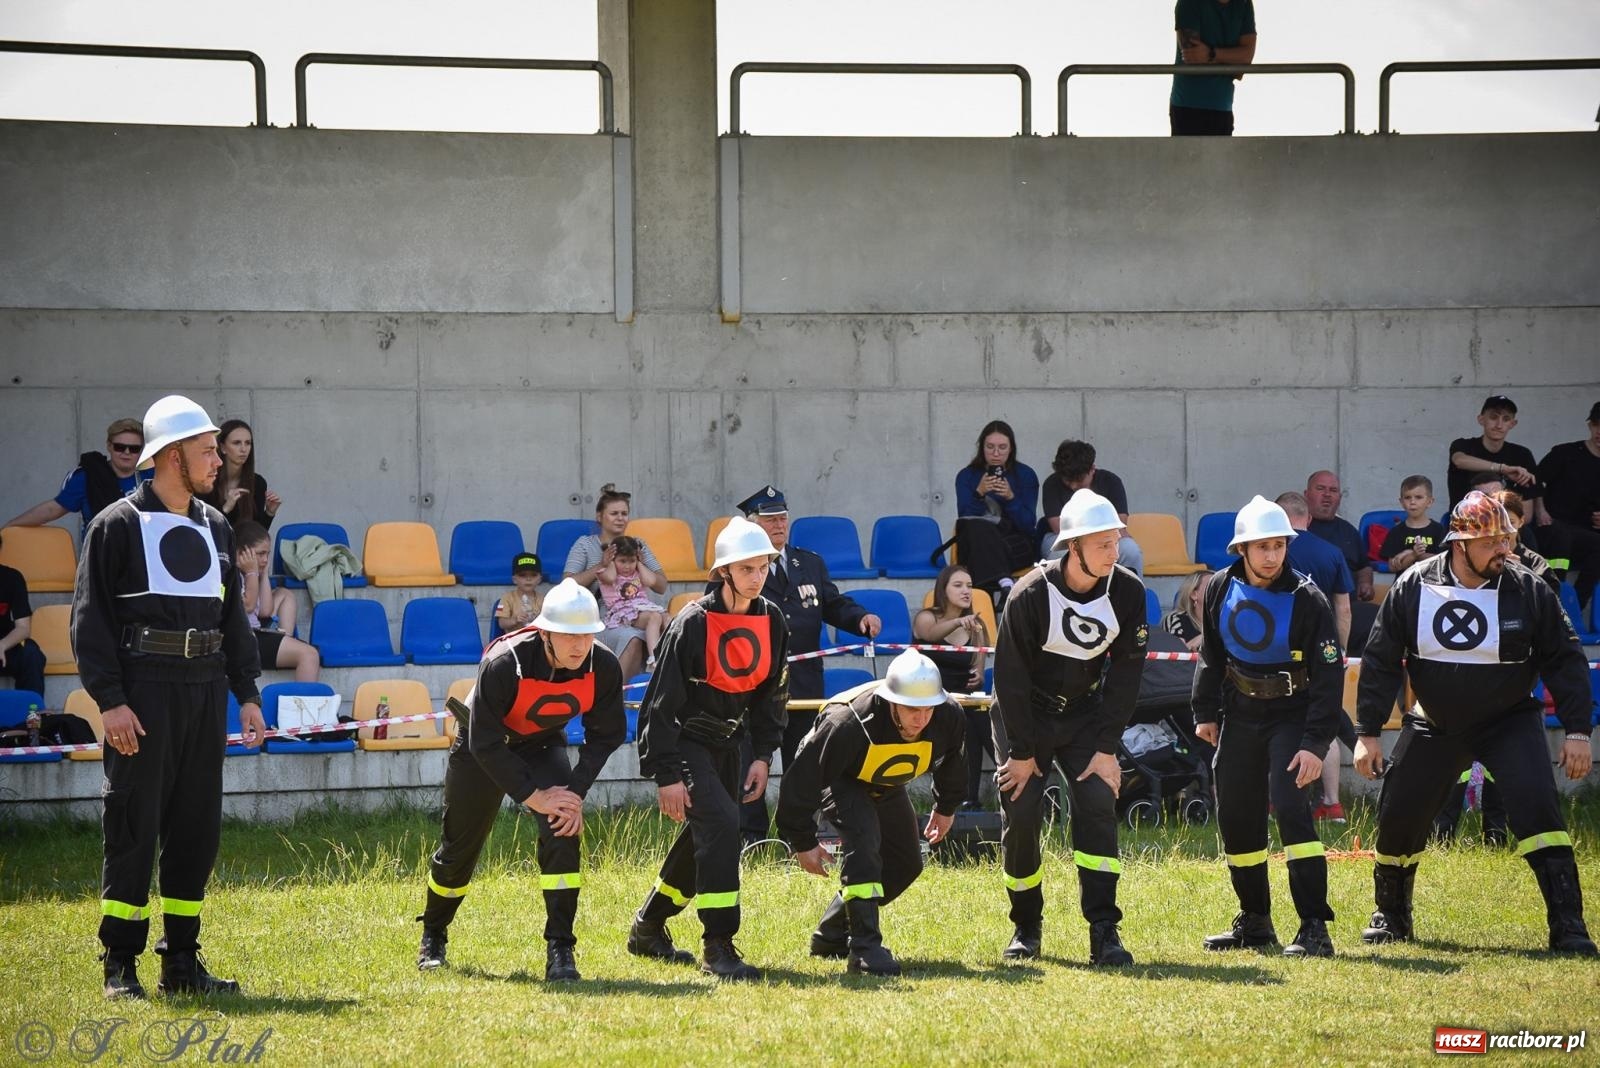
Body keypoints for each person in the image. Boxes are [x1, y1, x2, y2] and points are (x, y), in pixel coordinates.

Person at [70, 395, 265, 999]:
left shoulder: (216, 524)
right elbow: (89, 620)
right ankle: (118, 966)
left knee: (195, 828)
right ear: (171, 456)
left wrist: (247, 692)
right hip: (143, 693)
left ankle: (181, 962)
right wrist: (110, 701)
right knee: (133, 824)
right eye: (207, 450)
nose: (217, 460)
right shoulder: (115, 526)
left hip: (204, 689)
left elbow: (231, 617)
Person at [1353, 492, 1595, 956]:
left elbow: (1565, 660)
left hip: (1509, 719)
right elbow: (1381, 659)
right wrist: (1367, 733)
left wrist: (1579, 731)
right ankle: (1392, 916)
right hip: (1435, 721)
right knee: (1399, 815)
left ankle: (1569, 926)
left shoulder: (1529, 588)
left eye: (1507, 539)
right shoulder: (1413, 585)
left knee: (1539, 812)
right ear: (1459, 544)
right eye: (1490, 542)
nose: (1503, 549)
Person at [416, 579, 625, 981]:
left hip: (542, 745)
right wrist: (534, 796)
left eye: (586, 635)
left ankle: (560, 949)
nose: (579, 646)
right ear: (545, 631)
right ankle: (433, 934)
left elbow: (608, 735)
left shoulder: (605, 666)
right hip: (483, 747)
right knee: (459, 848)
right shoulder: (503, 662)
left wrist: (572, 795)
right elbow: (485, 744)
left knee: (563, 829)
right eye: (568, 636)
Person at [628, 516, 790, 981]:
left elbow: (772, 694)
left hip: (732, 744)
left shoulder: (772, 619)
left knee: (710, 833)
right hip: (686, 742)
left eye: (762, 568)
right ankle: (718, 945)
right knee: (722, 822)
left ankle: (649, 925)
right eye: (746, 570)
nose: (756, 578)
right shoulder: (691, 623)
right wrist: (667, 775)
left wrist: (762, 754)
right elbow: (659, 704)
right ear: (724, 572)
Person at [991, 490, 1148, 966]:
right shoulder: (1029, 594)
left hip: (1085, 715)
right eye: (1103, 544)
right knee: (1021, 814)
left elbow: (1126, 676)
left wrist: (1106, 748)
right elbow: (1011, 681)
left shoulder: (1127, 591)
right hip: (1027, 717)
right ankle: (1026, 927)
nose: (1115, 553)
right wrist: (1020, 752)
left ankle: (1104, 930)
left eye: (1116, 542)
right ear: (1073, 546)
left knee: (1099, 803)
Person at [1192, 496, 1344, 958]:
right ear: (1242, 550)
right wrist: (1205, 713)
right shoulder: (1219, 587)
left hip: (1292, 715)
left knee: (1293, 809)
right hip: (1240, 712)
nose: (1272, 556)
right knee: (1236, 816)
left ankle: (1314, 928)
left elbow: (1329, 674)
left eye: (1279, 546)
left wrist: (1316, 743)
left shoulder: (1309, 598)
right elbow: (1212, 654)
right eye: (1262, 547)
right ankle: (1255, 922)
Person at [777, 650, 966, 977]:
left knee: (906, 864)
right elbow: (801, 781)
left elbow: (954, 761)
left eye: (927, 711)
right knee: (865, 847)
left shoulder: (948, 715)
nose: (920, 721)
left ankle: (831, 933)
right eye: (911, 710)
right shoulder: (846, 724)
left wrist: (946, 806)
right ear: (892, 702)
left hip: (887, 784)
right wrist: (802, 841)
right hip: (843, 780)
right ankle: (865, 949)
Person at [735, 484, 881, 762]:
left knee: (803, 767)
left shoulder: (809, 563)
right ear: (752, 524)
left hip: (803, 683)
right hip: (756, 686)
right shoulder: (741, 569)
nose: (779, 525)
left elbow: (832, 603)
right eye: (770, 519)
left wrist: (860, 617)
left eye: (782, 518)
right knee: (749, 770)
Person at [562, 484, 668, 679]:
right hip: (601, 615)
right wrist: (600, 567)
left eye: (624, 513)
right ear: (599, 516)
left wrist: (641, 565)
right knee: (634, 638)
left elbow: (662, 585)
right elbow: (566, 584)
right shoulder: (585, 544)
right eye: (614, 513)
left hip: (640, 608)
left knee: (672, 625)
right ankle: (616, 698)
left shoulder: (638, 544)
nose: (620, 518)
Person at [913, 564, 991, 807]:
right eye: (958, 585)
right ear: (943, 589)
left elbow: (979, 659)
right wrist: (958, 623)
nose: (966, 590)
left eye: (969, 585)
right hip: (932, 697)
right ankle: (962, 799)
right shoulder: (926, 616)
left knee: (984, 722)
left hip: (966, 697)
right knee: (967, 723)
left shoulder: (976, 624)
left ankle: (975, 799)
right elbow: (931, 635)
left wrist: (978, 672)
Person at [5, 417, 150, 533]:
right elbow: (53, 509)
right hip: (100, 556)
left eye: (134, 449)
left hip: (145, 556)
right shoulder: (87, 476)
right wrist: (9, 526)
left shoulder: (153, 476)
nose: (126, 453)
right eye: (120, 447)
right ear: (109, 446)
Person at [954, 420, 1040, 598]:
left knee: (981, 552)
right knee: (978, 529)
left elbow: (1028, 525)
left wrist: (1011, 498)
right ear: (981, 448)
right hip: (976, 543)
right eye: (990, 447)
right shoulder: (966, 476)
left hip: (1013, 544)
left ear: (1011, 449)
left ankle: (986, 606)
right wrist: (979, 493)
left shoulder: (1025, 475)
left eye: (1002, 447)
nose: (995, 453)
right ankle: (1005, 584)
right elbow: (964, 518)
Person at [1039, 439, 1144, 576]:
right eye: (1068, 480)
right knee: (1059, 553)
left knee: (1130, 550)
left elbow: (1120, 523)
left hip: (1108, 536)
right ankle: (1063, 596)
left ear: (1092, 469)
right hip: (1064, 538)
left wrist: (1096, 541)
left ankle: (1132, 594)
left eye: (1079, 480)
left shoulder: (1111, 481)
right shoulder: (1052, 483)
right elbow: (1058, 527)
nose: (1073, 486)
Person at [232, 521, 320, 683]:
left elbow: (265, 611)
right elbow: (249, 606)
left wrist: (263, 573)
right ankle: (301, 708)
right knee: (309, 654)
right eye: (260, 554)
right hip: (240, 640)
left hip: (255, 633)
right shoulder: (230, 573)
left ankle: (284, 639)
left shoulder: (250, 574)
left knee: (312, 651)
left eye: (267, 554)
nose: (265, 559)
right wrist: (252, 572)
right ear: (241, 552)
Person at [1534, 401, 1600, 614]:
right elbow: (1534, 483)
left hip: (1586, 535)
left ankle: (1574, 608)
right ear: (1590, 425)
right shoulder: (1565, 453)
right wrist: (1540, 511)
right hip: (1550, 528)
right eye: (1597, 424)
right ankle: (1554, 595)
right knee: (1562, 535)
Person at [1170, 0, 1257, 137]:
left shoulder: (1244, 3)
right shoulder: (1189, 2)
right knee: (1188, 158)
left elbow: (1246, 58)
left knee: (1221, 158)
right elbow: (1193, 57)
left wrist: (1211, 53)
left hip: (1223, 106)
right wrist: (1232, 61)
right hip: (1188, 106)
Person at [1447, 395, 1541, 510]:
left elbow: (1526, 514)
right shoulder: (1463, 445)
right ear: (1481, 419)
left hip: (1508, 525)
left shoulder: (1522, 454)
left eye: (1506, 419)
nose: (1499, 425)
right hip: (1465, 522)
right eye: (1493, 417)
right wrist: (1503, 469)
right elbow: (1459, 461)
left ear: (1513, 424)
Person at [596, 535, 666, 669]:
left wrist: (640, 563)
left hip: (642, 607)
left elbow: (651, 581)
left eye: (631, 561)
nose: (627, 566)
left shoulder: (637, 571)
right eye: (622, 561)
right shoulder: (605, 572)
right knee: (655, 617)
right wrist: (609, 562)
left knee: (668, 619)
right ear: (613, 559)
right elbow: (610, 578)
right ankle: (654, 659)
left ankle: (671, 657)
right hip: (623, 611)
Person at [200, 419, 282, 532]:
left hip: (245, 548)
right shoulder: (205, 481)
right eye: (236, 443)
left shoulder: (257, 482)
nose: (243, 449)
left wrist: (269, 513)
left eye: (248, 443)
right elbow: (202, 530)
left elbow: (256, 535)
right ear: (222, 447)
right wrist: (226, 508)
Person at [1305, 470, 1374, 602]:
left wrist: (1365, 583)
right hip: (1307, 606)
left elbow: (1364, 566)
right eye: (1320, 488)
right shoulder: (1295, 529)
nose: (1327, 494)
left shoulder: (1349, 531)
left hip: (1347, 607)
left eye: (1333, 490)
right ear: (1306, 494)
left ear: (1340, 498)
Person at [0, 538, 47, 696]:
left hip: (5, 647)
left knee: (31, 653)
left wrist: (2, 645)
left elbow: (24, 628)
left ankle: (32, 718)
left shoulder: (12, 578)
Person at [1379, 475, 1448, 575]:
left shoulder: (1439, 529)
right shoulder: (1396, 532)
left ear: (1430, 502)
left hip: (1432, 587)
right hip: (1404, 587)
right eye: (1407, 497)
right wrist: (1413, 555)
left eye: (1418, 497)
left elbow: (1444, 561)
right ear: (1402, 502)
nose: (1412, 502)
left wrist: (1415, 555)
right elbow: (1392, 567)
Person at [494, 551, 546, 634]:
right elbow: (501, 623)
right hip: (514, 640)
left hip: (537, 639)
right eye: (523, 575)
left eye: (533, 575)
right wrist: (515, 620)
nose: (528, 579)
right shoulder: (507, 598)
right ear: (514, 579)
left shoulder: (543, 599)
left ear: (539, 579)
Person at [1164, 569, 1211, 651]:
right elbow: (1174, 658)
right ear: (1194, 595)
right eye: (1212, 586)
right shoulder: (1176, 620)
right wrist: (1203, 638)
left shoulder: (1226, 621)